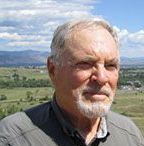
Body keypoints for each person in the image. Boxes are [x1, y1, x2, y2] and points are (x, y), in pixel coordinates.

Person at [0, 17, 144, 146]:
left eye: (110, 65)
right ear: (52, 69)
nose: (101, 78)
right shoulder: (14, 137)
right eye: (85, 64)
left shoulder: (129, 135)